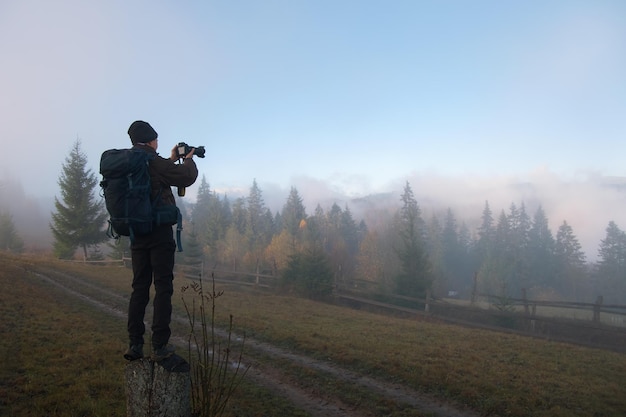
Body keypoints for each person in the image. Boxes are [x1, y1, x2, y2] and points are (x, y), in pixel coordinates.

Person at [123, 120, 198, 362]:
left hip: (137, 233)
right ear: (151, 140)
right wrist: (187, 158)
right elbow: (185, 177)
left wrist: (170, 157)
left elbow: (155, 175)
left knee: (139, 288)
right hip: (159, 234)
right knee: (163, 287)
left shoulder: (129, 162)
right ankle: (159, 345)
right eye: (156, 139)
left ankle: (135, 344)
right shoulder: (153, 161)